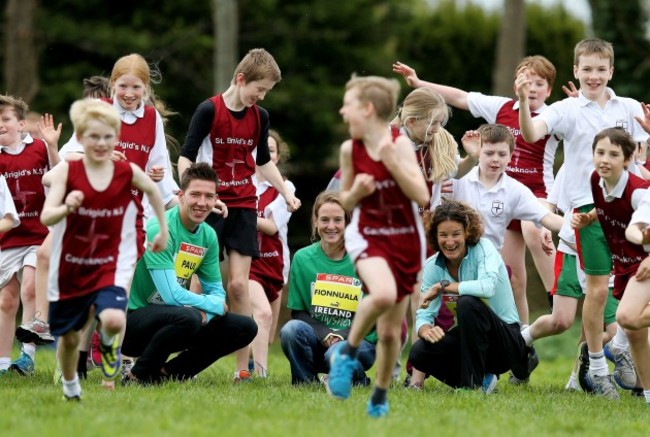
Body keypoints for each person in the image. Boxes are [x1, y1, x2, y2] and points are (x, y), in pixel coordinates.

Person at [517, 38, 649, 399]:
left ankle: (615, 355)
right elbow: (531, 133)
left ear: (611, 71)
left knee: (627, 295)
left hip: (629, 215)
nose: (593, 76)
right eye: (586, 69)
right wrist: (523, 105)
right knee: (589, 299)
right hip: (585, 215)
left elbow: (640, 161)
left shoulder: (631, 108)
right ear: (575, 70)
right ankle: (598, 368)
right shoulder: (568, 108)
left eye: (600, 69)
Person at [394, 57, 560, 325]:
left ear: (549, 90)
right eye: (526, 82)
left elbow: (581, 135)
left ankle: (557, 295)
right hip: (498, 195)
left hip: (536, 192)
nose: (532, 88)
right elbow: (460, 97)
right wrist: (418, 82)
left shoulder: (556, 113)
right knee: (512, 276)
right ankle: (520, 334)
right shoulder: (501, 107)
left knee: (535, 227)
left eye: (539, 84)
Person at [178, 48, 300, 380]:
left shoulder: (260, 117)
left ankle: (241, 368)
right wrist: (191, 195)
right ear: (241, 78)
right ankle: (180, 355)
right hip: (211, 205)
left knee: (238, 286)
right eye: (258, 90)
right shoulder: (208, 110)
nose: (260, 97)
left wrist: (286, 192)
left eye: (266, 93)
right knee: (190, 280)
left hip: (244, 206)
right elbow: (186, 156)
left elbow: (262, 161)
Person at [42, 98, 168, 400]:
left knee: (113, 318)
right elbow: (47, 215)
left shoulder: (125, 170)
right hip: (73, 264)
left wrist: (162, 230)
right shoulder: (68, 171)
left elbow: (152, 190)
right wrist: (65, 207)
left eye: (107, 137)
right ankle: (71, 384)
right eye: (93, 137)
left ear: (116, 137)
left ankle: (110, 349)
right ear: (82, 139)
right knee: (71, 338)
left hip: (109, 263)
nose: (101, 143)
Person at [325, 75, 429, 418]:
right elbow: (346, 200)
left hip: (405, 240)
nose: (342, 111)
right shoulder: (349, 149)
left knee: (389, 334)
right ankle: (347, 353)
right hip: (367, 234)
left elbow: (422, 195)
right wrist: (357, 193)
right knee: (382, 294)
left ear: (368, 110)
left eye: (348, 104)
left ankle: (380, 395)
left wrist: (393, 162)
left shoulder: (398, 145)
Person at [122, 162, 256, 384]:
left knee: (245, 327)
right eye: (195, 194)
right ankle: (138, 375)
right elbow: (170, 296)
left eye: (209, 196)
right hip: (134, 323)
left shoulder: (208, 236)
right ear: (181, 195)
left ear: (216, 200)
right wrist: (210, 306)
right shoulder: (160, 228)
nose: (202, 203)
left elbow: (216, 291)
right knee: (189, 316)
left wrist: (208, 311)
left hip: (181, 320)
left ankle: (169, 373)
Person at [408, 200, 534, 392]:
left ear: (467, 232)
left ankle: (471, 385)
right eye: (443, 235)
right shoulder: (433, 265)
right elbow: (424, 314)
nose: (449, 242)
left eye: (456, 234)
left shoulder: (485, 248)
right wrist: (425, 330)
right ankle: (482, 380)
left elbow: (487, 288)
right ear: (435, 236)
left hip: (505, 341)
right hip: (470, 340)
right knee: (419, 352)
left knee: (467, 303)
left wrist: (444, 287)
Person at [570, 127, 650, 399]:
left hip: (643, 263)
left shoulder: (640, 193)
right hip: (628, 265)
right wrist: (590, 218)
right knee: (635, 331)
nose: (604, 159)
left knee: (627, 318)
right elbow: (606, 204)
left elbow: (637, 223)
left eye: (613, 154)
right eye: (600, 152)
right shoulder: (597, 179)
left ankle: (617, 346)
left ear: (628, 160)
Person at [280, 191, 376, 385]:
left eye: (337, 220)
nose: (331, 226)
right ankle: (305, 382)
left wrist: (340, 336)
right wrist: (326, 334)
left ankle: (358, 378)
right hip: (318, 338)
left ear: (347, 223)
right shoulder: (302, 258)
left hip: (359, 341)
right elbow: (298, 313)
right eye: (324, 220)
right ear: (315, 222)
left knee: (336, 352)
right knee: (290, 330)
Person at [0, 95, 61, 376]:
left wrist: (52, 145)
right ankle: (3, 364)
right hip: (7, 238)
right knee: (7, 300)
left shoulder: (37, 148)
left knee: (30, 288)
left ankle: (27, 357)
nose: (0, 125)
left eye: (6, 119)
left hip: (38, 233)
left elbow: (60, 176)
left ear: (21, 124)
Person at [248, 129, 295, 377]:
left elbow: (272, 226)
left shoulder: (286, 187)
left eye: (271, 149)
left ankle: (251, 367)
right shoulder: (241, 183)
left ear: (276, 158)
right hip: (247, 259)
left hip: (275, 262)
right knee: (260, 315)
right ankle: (257, 375)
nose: (265, 153)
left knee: (267, 332)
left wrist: (242, 214)